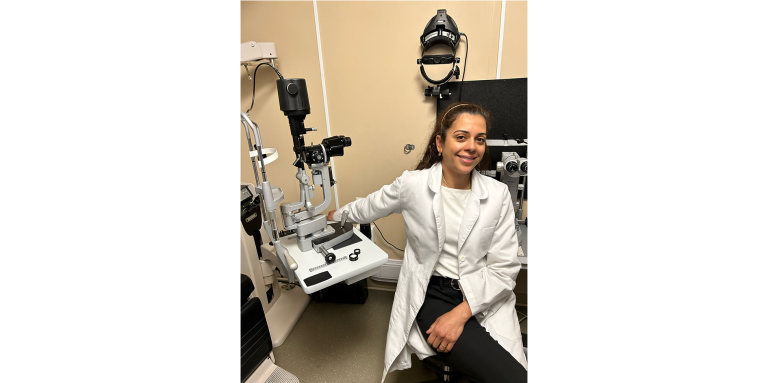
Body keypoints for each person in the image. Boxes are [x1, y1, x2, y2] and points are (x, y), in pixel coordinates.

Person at [326, 102, 527, 383]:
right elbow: (369, 206)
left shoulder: (497, 194)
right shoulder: (413, 185)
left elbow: (504, 268)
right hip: (434, 294)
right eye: (461, 137)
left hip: (482, 292)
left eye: (479, 139)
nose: (472, 146)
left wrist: (460, 315)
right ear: (440, 142)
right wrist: (337, 215)